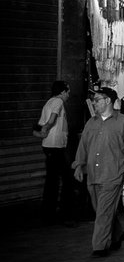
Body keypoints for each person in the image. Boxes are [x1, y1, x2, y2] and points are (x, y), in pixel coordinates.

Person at [73, 87, 124, 257]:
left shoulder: (123, 122)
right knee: (102, 209)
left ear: (108, 101)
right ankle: (117, 234)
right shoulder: (91, 123)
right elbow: (83, 146)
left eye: (97, 100)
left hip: (113, 174)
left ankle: (100, 247)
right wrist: (78, 165)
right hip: (93, 174)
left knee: (103, 212)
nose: (94, 103)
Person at [38, 80, 74, 225]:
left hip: (49, 146)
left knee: (52, 179)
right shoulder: (58, 102)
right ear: (62, 92)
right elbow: (52, 120)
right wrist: (47, 128)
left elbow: (40, 124)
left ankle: (49, 213)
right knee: (66, 178)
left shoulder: (48, 102)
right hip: (55, 146)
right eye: (68, 92)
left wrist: (42, 131)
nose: (69, 95)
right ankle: (64, 213)